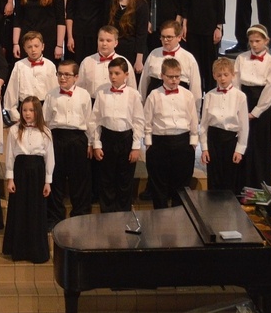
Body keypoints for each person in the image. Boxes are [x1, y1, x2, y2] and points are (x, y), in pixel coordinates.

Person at [3, 96, 54, 264]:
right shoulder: (14, 130)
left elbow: (49, 157)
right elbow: (10, 155)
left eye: (31, 110)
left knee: (36, 209)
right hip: (20, 170)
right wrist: (10, 178)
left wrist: (48, 181)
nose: (27, 113)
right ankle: (19, 250)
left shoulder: (45, 131)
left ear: (37, 111)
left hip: (38, 171)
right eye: (24, 110)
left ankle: (36, 251)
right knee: (19, 208)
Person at [142, 59, 199, 209]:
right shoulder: (154, 95)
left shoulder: (188, 95)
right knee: (159, 185)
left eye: (177, 76)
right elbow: (147, 121)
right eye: (170, 76)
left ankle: (180, 218)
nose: (174, 80)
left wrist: (193, 143)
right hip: (159, 143)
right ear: (162, 75)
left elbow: (193, 119)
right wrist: (148, 144)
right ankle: (160, 220)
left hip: (183, 142)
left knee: (181, 185)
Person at [90, 56, 143, 213]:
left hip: (126, 139)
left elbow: (138, 121)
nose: (113, 77)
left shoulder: (134, 95)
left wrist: (135, 147)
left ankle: (123, 214)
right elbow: (95, 121)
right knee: (106, 179)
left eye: (117, 73)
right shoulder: (102, 93)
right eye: (111, 73)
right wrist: (97, 144)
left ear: (126, 74)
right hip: (107, 138)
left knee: (125, 179)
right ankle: (107, 214)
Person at [46, 60, 93, 222]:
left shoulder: (84, 95)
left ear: (76, 77)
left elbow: (90, 121)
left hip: (77, 139)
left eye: (67, 74)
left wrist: (91, 143)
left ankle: (79, 216)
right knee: (55, 179)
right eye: (60, 73)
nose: (63, 78)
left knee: (79, 180)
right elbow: (45, 122)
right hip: (56, 139)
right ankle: (55, 217)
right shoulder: (51, 94)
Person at [235, 25, 271, 188]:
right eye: (251, 41)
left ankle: (260, 186)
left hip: (261, 107)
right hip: (243, 102)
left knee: (259, 146)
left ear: (266, 41)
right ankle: (241, 185)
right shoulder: (241, 58)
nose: (254, 44)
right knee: (243, 142)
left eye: (258, 41)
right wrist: (239, 107)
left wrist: (255, 112)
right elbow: (236, 83)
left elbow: (269, 89)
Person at [181, 0, 226, 90]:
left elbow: (220, 3)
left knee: (209, 64)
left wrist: (219, 27)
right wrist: (184, 24)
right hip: (193, 26)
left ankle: (211, 95)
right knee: (194, 64)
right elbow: (186, 2)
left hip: (210, 27)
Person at [201, 58, 249, 195]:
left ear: (233, 75)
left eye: (226, 75)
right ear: (214, 75)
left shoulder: (240, 96)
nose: (222, 79)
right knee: (214, 179)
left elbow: (244, 126)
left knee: (230, 180)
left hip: (230, 141)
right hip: (213, 140)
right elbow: (203, 124)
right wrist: (204, 148)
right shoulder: (209, 95)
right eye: (219, 75)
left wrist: (240, 149)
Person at [5, 32, 60, 118]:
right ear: (25, 49)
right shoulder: (19, 65)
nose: (33, 50)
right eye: (29, 47)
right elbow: (12, 91)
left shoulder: (50, 65)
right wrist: (16, 116)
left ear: (43, 47)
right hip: (25, 107)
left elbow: (54, 90)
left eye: (36, 46)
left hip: (44, 107)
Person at [107, 0, 150, 72]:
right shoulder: (113, 0)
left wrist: (139, 60)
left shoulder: (141, 4)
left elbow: (141, 34)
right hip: (115, 48)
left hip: (132, 51)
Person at [141, 21, 200, 96]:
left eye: (169, 37)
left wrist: (195, 107)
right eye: (163, 37)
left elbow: (195, 88)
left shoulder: (188, 58)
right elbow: (144, 82)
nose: (165, 40)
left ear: (179, 37)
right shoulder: (153, 54)